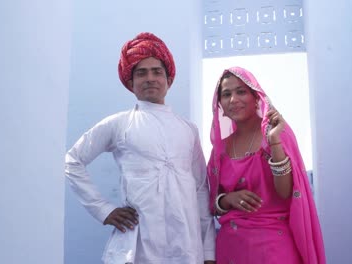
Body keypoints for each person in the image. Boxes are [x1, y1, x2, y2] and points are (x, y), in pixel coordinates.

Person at [65, 32, 216, 264]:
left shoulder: (188, 130)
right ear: (130, 82)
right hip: (138, 247)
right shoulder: (119, 123)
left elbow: (201, 190)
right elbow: (72, 161)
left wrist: (208, 253)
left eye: (157, 71)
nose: (150, 78)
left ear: (169, 79)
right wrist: (104, 210)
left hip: (187, 246)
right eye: (141, 73)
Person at [207, 67, 326, 263]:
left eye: (241, 91)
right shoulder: (220, 149)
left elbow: (286, 191)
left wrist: (274, 141)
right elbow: (211, 203)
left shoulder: (276, 134)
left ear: (256, 97)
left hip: (274, 247)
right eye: (226, 94)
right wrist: (228, 200)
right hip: (231, 248)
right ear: (220, 104)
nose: (233, 99)